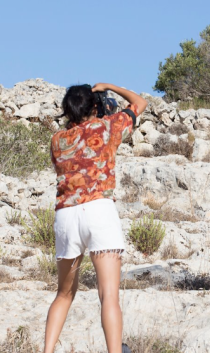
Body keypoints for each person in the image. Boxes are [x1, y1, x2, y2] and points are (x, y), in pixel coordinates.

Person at [45, 83, 147, 353]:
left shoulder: (57, 140)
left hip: (66, 214)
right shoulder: (107, 127)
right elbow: (140, 103)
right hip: (99, 209)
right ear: (94, 106)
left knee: (64, 294)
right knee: (109, 296)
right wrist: (109, 86)